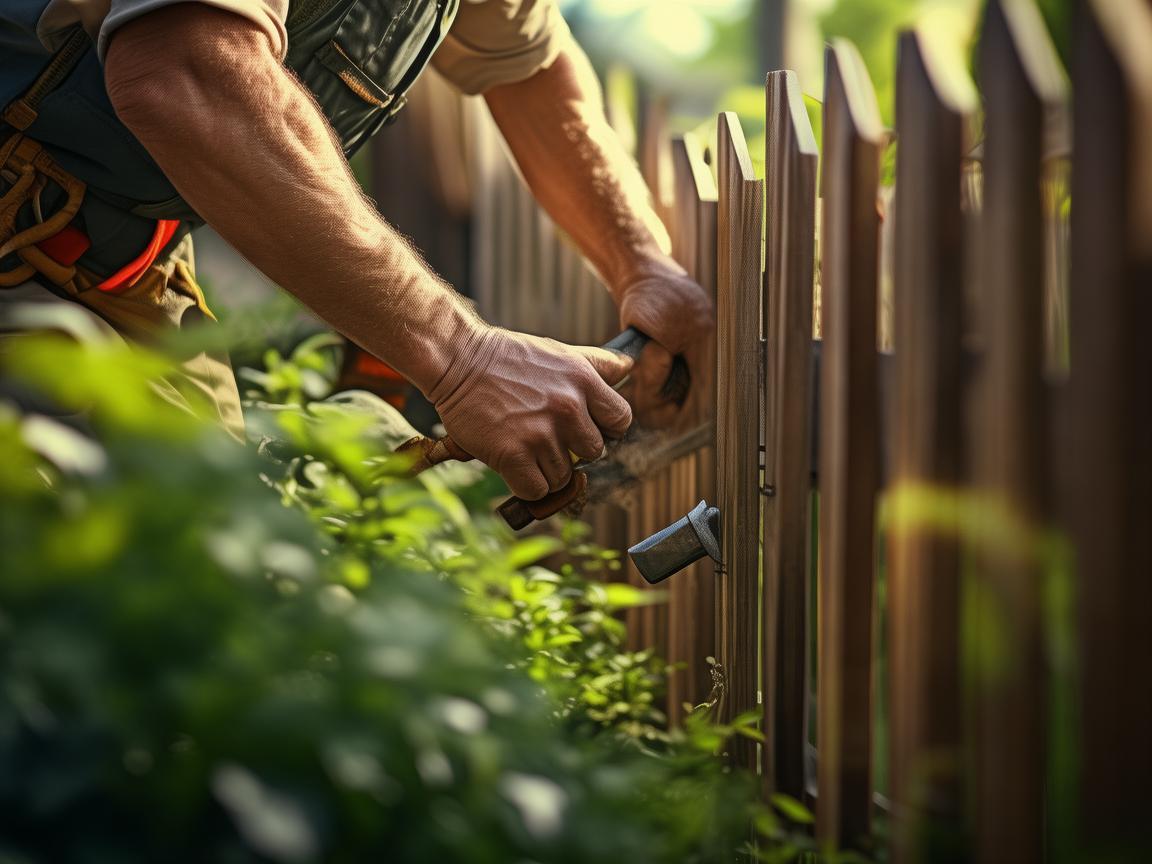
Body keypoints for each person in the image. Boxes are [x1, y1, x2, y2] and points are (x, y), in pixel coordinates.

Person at [0, 0, 712, 502]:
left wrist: (641, 263)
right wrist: (464, 360)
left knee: (204, 572)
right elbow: (183, 73)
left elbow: (528, 64)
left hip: (102, 264)